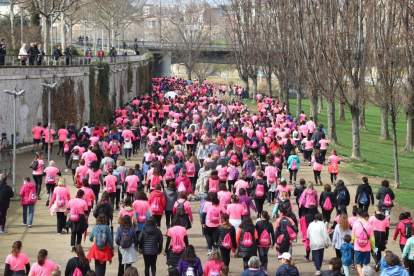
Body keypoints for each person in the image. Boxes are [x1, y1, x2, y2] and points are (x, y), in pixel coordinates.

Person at [351, 211, 375, 276]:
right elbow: (372, 239)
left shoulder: (355, 223)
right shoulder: (369, 225)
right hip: (367, 248)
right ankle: (364, 274)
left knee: (358, 264)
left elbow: (353, 235)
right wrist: (373, 248)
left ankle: (361, 274)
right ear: (366, 217)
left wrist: (353, 242)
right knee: (365, 264)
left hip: (357, 247)